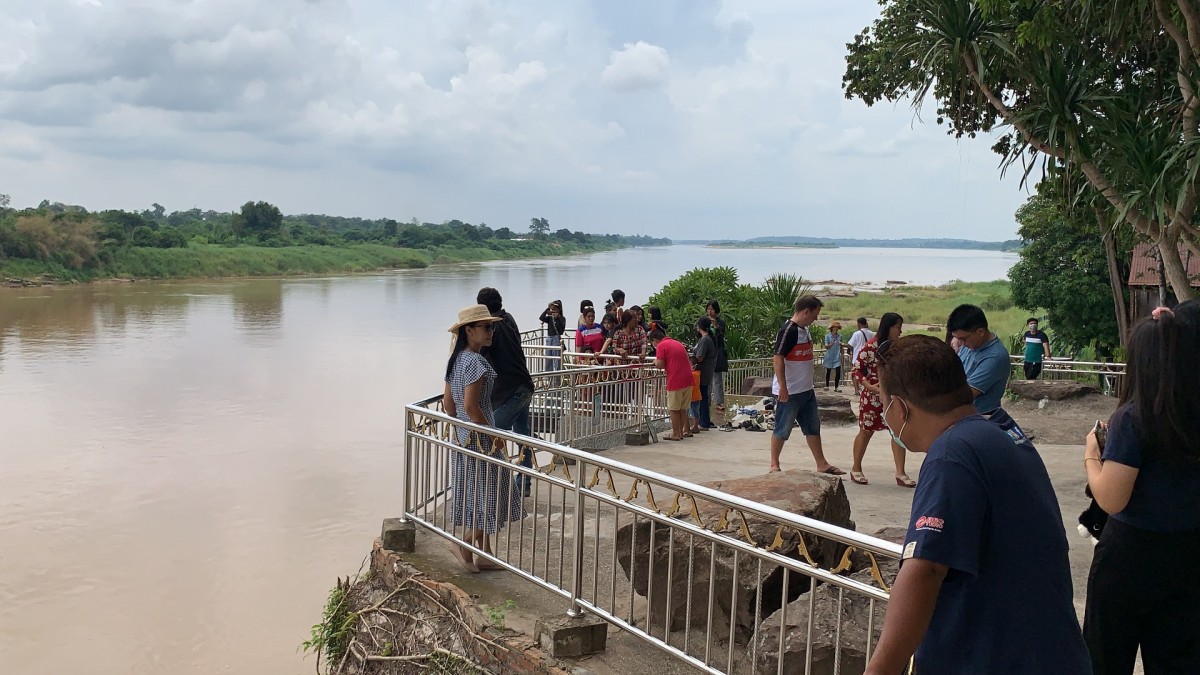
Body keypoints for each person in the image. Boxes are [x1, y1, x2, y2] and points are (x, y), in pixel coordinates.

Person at [864, 335, 1091, 675]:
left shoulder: (951, 454)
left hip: (997, 660)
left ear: (898, 408)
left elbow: (926, 569)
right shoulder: (1001, 430)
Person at [1082, 306, 1200, 675]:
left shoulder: (1134, 418)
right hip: (1189, 551)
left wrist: (1091, 456)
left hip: (1130, 555)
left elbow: (1112, 497)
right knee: (1178, 657)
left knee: (1105, 654)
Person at [442, 304, 524, 573]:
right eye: (486, 327)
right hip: (482, 439)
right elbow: (471, 407)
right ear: (469, 331)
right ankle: (464, 543)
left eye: (492, 326)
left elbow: (449, 406)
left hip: (463, 438)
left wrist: (467, 427)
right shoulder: (476, 363)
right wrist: (494, 434)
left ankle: (485, 553)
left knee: (478, 495)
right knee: (491, 492)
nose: (491, 332)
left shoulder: (456, 360)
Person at [768, 295, 842, 475]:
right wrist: (783, 387)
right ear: (806, 311)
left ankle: (821, 463)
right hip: (791, 391)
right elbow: (778, 358)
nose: (816, 318)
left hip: (806, 390)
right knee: (782, 428)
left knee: (812, 427)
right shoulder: (789, 331)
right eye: (815, 314)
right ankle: (774, 464)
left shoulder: (805, 330)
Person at [476, 287, 535, 493]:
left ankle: (497, 484)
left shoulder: (491, 327)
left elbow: (479, 355)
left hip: (511, 391)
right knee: (522, 437)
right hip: (524, 385)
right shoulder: (508, 318)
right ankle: (524, 483)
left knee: (492, 435)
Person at [850, 313, 915, 487]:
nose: (900, 331)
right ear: (889, 327)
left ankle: (900, 472)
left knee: (897, 433)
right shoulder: (870, 347)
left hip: (894, 396)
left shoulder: (898, 348)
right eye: (898, 327)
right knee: (866, 430)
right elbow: (857, 370)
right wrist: (870, 387)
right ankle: (856, 468)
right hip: (873, 397)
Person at [947, 304, 1010, 414]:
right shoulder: (971, 344)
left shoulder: (995, 357)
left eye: (963, 339)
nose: (961, 343)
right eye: (957, 339)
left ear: (980, 332)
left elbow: (967, 394)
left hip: (978, 418)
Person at [650, 329, 693, 441]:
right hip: (688, 379)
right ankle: (680, 432)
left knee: (673, 408)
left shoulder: (661, 346)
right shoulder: (676, 343)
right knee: (682, 408)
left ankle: (675, 433)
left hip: (675, 380)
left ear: (655, 340)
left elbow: (660, 364)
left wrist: (655, 362)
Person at [693, 317, 719, 429]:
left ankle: (703, 422)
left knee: (702, 396)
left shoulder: (704, 340)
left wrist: (691, 358)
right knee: (704, 395)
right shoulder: (709, 338)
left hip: (702, 372)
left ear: (699, 327)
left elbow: (700, 357)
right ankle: (705, 420)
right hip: (707, 371)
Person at [706, 300, 730, 412]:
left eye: (712, 309)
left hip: (717, 353)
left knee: (717, 379)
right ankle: (706, 401)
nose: (710, 311)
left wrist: (716, 327)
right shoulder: (704, 321)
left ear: (716, 310)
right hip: (707, 353)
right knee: (706, 379)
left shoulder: (721, 322)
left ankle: (719, 402)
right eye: (708, 309)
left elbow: (721, 338)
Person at [847, 317, 874, 396]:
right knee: (868, 374)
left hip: (857, 357)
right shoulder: (871, 333)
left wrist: (842, 345)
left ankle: (856, 390)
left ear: (858, 324)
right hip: (869, 357)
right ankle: (868, 389)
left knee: (855, 373)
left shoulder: (857, 334)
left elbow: (850, 344)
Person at [538, 299, 566, 371]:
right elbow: (541, 317)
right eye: (552, 309)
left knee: (557, 360)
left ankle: (557, 379)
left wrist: (558, 318)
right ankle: (549, 378)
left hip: (556, 339)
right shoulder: (550, 318)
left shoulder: (562, 319)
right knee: (548, 359)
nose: (553, 311)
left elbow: (561, 331)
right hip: (549, 339)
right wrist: (547, 308)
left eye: (555, 309)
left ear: (559, 310)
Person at [823, 321, 843, 391]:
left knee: (838, 372)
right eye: (834, 328)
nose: (836, 330)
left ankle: (836, 387)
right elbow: (826, 346)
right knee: (828, 371)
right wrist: (831, 344)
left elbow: (841, 347)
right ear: (832, 328)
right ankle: (827, 385)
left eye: (837, 328)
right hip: (829, 356)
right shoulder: (827, 336)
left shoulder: (840, 336)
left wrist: (841, 347)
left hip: (837, 356)